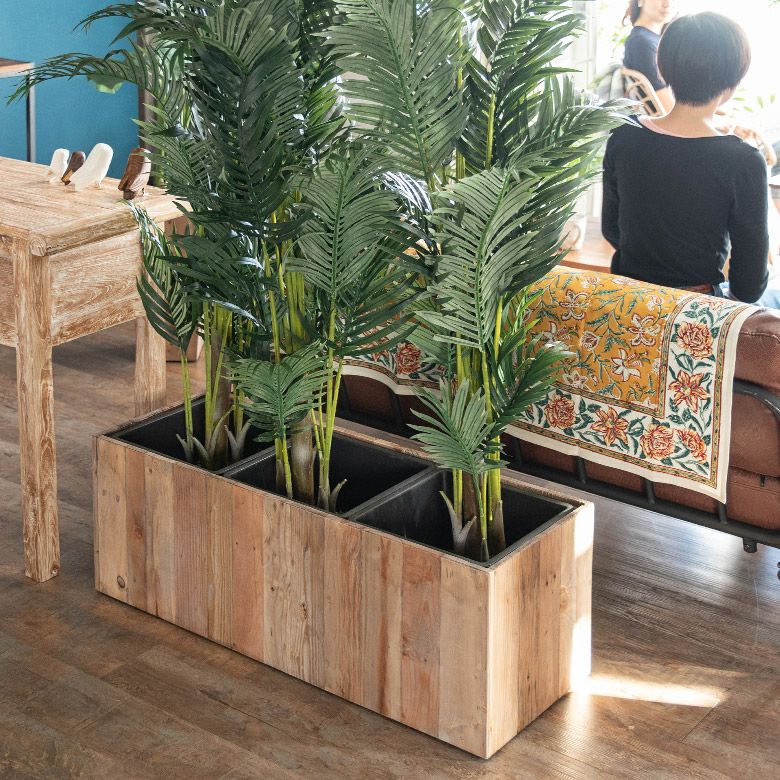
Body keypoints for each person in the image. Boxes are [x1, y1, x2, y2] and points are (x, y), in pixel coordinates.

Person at [602, 12, 774, 306]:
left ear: (662, 68)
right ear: (733, 82)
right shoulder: (744, 161)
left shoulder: (624, 136)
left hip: (628, 302)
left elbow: (612, 229)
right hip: (694, 311)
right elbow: (749, 285)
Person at [623, 0, 677, 114]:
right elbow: (668, 108)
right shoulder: (641, 43)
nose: (667, 4)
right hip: (667, 120)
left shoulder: (653, 40)